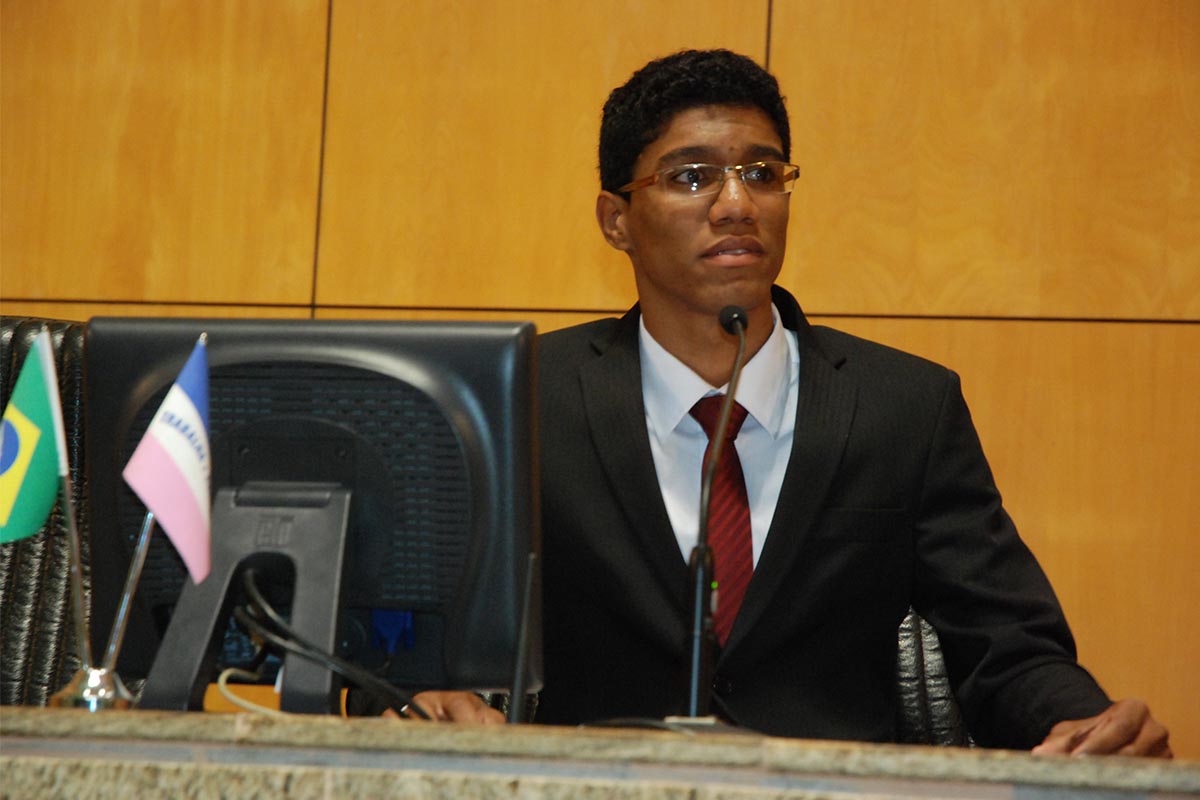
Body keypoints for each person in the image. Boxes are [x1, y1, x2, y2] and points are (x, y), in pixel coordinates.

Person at [410, 49, 1171, 757]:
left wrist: (1078, 721)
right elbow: (423, 635)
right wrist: (422, 692)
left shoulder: (903, 407)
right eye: (691, 176)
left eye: (763, 172)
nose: (737, 203)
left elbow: (1007, 644)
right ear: (616, 220)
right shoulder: (525, 398)